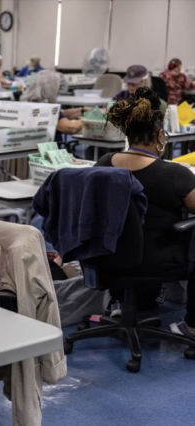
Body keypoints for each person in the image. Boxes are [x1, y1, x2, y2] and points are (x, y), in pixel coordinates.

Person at [96, 86, 195, 342]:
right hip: (157, 259)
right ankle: (192, 326)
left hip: (104, 255)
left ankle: (119, 303)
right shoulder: (174, 174)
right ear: (160, 135)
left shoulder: (104, 163)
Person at [20, 70, 83, 140]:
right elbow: (71, 128)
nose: (58, 91)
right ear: (51, 89)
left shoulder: (29, 103)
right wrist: (89, 120)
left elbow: (61, 115)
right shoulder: (47, 109)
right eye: (58, 88)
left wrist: (82, 110)